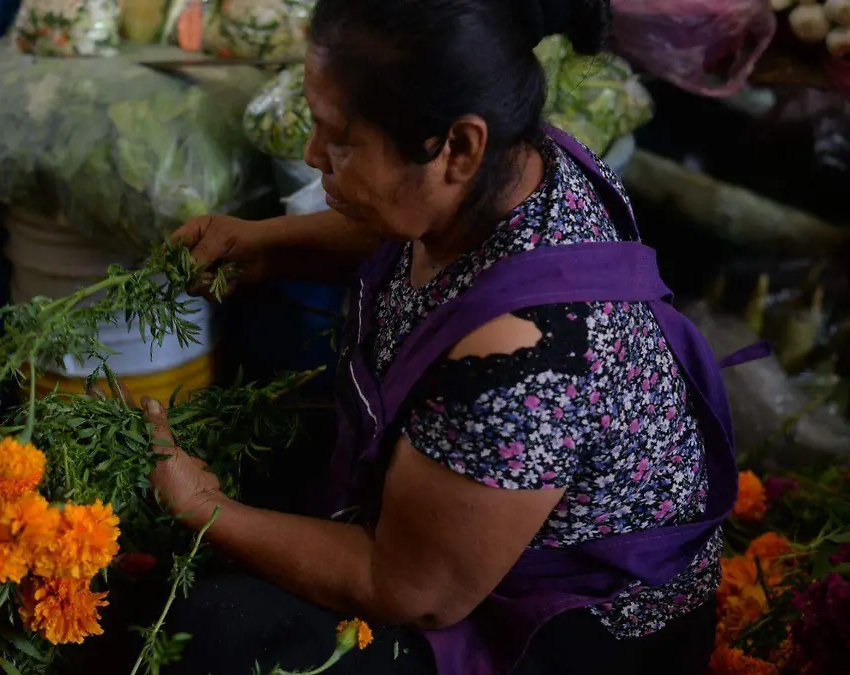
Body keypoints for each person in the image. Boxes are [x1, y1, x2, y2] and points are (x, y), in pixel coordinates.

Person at [139, 1, 755, 673]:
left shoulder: (524, 357)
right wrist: (270, 243)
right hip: (465, 538)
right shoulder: (513, 163)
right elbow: (409, 228)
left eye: (339, 138)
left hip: (565, 633)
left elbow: (411, 590)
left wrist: (209, 510)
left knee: (218, 629)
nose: (314, 154)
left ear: (458, 147)